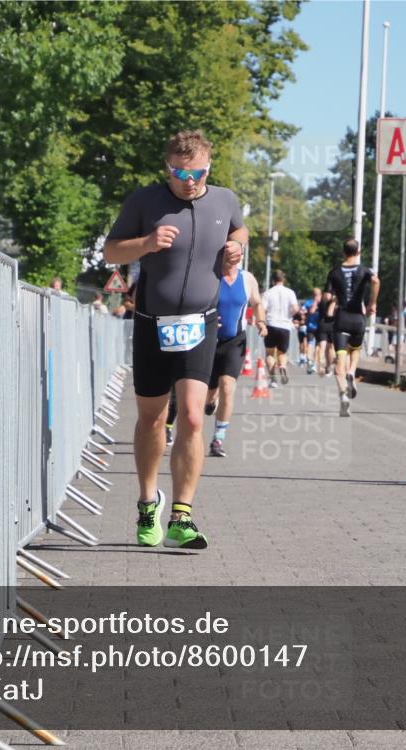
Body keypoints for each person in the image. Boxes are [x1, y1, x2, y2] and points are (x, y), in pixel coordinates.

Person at [104, 130, 246, 550]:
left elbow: (240, 231)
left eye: (197, 172)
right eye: (180, 172)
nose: (189, 180)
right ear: (167, 168)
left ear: (209, 167)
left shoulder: (224, 200)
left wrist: (236, 249)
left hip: (201, 324)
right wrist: (146, 243)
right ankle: (148, 502)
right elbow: (111, 252)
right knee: (151, 419)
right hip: (152, 322)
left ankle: (182, 515)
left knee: (193, 415)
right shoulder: (145, 201)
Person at [204, 263, 266, 457]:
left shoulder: (247, 279)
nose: (231, 257)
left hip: (235, 341)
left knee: (227, 387)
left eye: (236, 253)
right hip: (208, 340)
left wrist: (261, 322)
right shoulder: (210, 276)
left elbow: (256, 303)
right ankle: (211, 400)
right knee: (209, 392)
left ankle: (218, 439)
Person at [324, 239, 380, 416]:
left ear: (343, 252)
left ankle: (343, 396)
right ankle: (352, 371)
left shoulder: (334, 272)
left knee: (339, 359)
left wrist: (333, 299)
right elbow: (376, 282)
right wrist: (372, 303)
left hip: (341, 319)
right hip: (358, 319)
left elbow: (326, 296)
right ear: (359, 252)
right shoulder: (364, 270)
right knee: (355, 351)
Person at [262, 270, 299, 387]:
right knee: (282, 352)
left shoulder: (268, 293)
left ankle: (273, 380)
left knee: (269, 353)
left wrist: (261, 322)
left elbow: (262, 309)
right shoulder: (290, 292)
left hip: (271, 324)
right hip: (285, 326)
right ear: (284, 280)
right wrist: (290, 315)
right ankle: (282, 366)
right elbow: (295, 308)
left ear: (273, 280)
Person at [314, 290, 335, 377]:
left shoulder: (321, 301)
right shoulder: (335, 302)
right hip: (332, 325)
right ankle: (328, 367)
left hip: (322, 325)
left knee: (322, 347)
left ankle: (321, 367)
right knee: (330, 348)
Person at [302, 288, 321, 374]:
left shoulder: (322, 303)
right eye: (316, 295)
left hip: (320, 327)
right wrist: (315, 302)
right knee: (310, 343)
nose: (318, 297)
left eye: (319, 295)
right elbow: (307, 311)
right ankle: (309, 360)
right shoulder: (309, 302)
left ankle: (314, 364)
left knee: (318, 346)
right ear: (313, 295)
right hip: (311, 327)